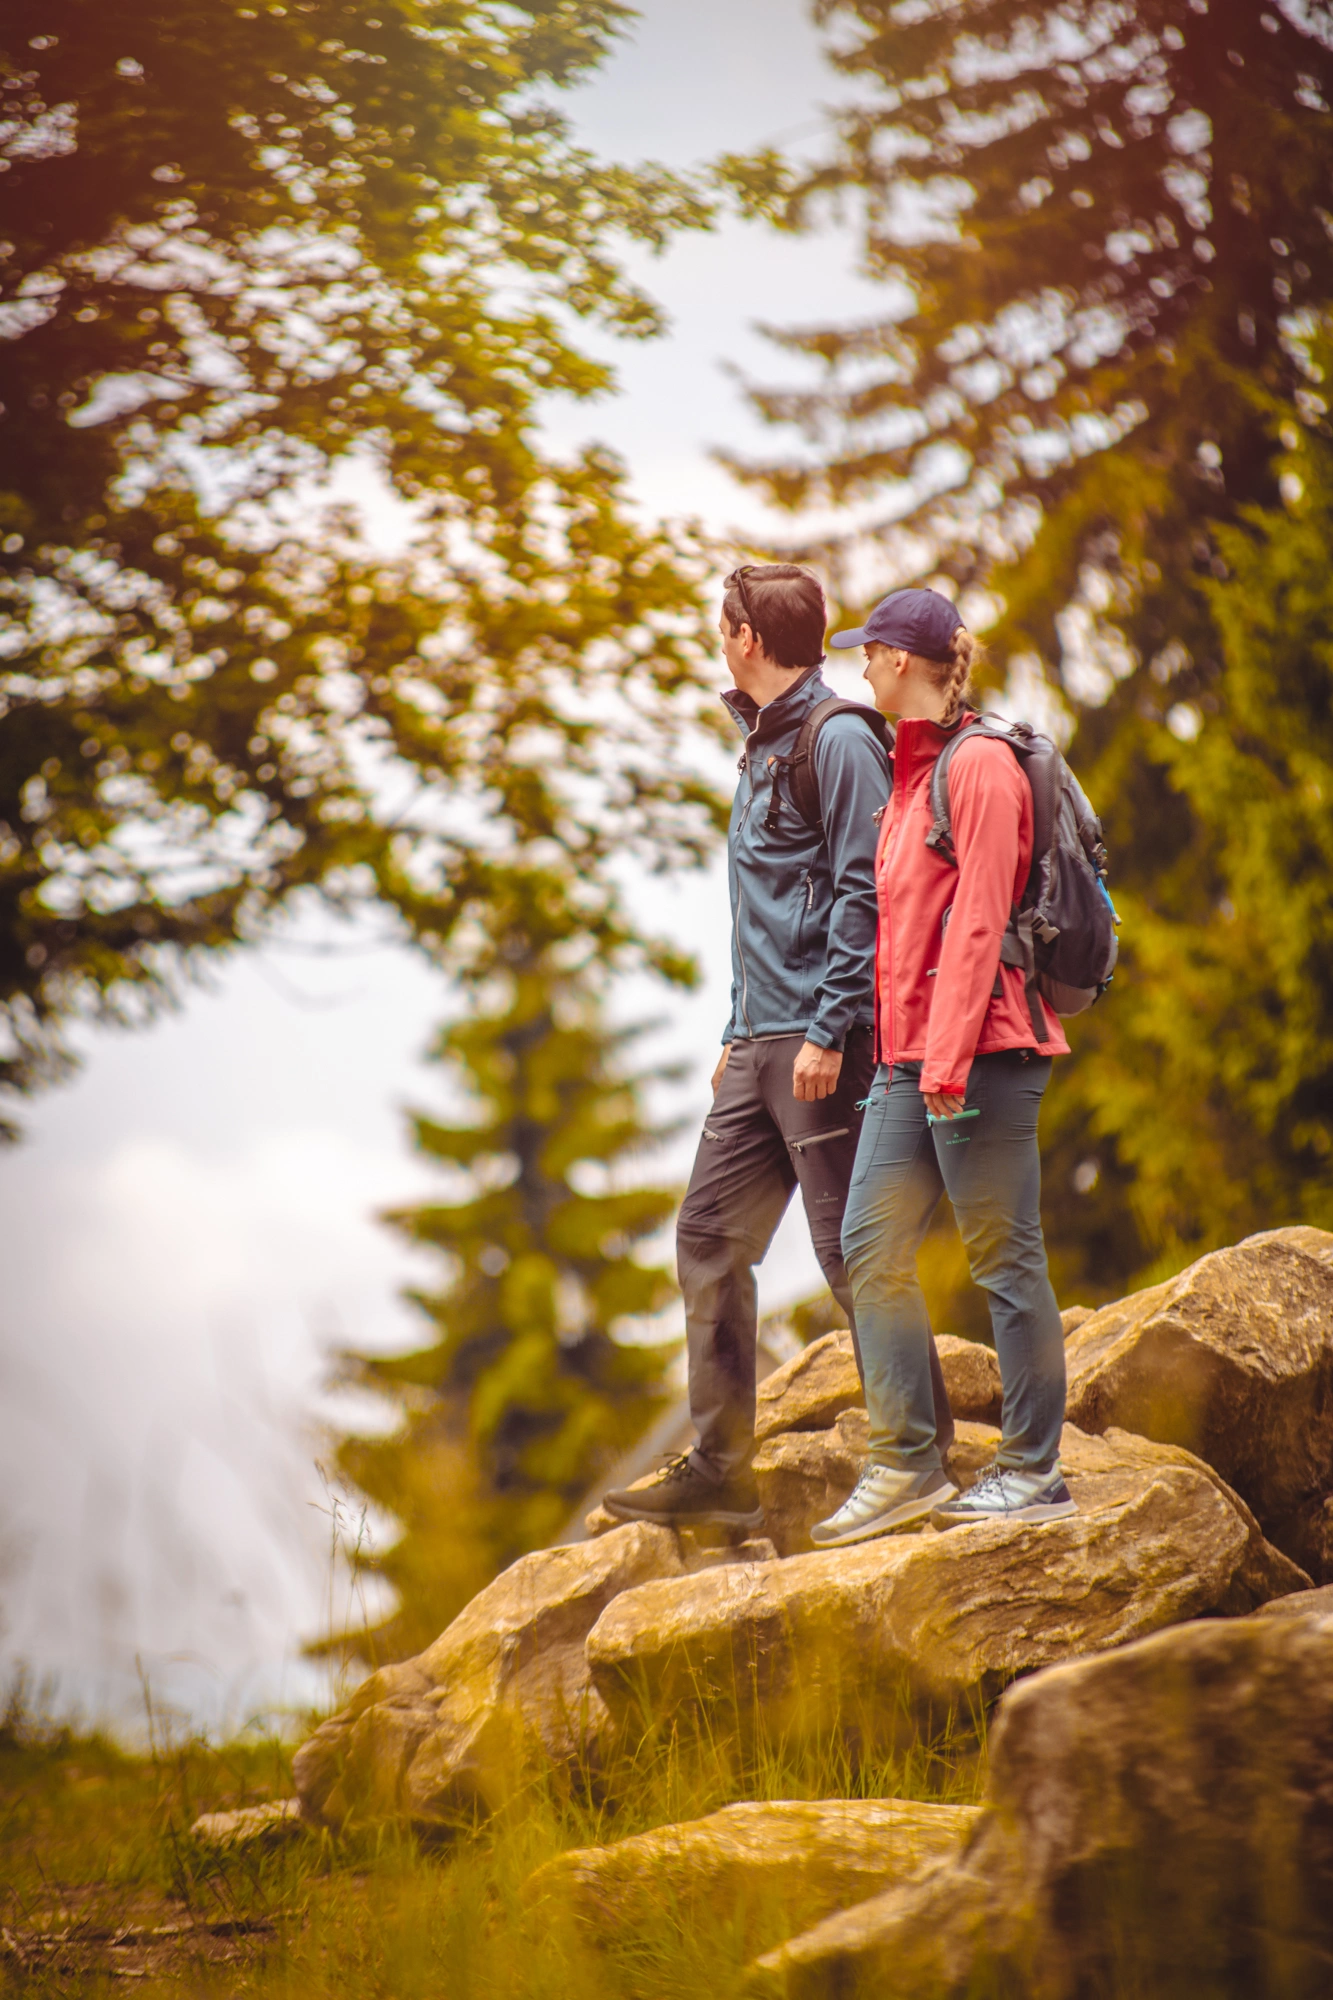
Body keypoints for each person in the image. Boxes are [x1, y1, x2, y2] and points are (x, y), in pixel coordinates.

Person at [604, 564, 954, 1530]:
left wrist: (829, 1027)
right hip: (758, 1042)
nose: (719, 639)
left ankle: (920, 1452)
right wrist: (734, 1025)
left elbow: (864, 888)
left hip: (821, 1045)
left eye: (724, 625)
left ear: (748, 638)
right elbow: (760, 906)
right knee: (710, 1238)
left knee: (851, 1253)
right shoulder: (761, 745)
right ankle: (720, 1470)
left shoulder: (836, 738)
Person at [810, 587, 1077, 1546]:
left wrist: (952, 1054)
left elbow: (978, 922)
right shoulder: (907, 771)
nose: (860, 669)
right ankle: (906, 1463)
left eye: (868, 654)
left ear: (899, 658)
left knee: (1004, 1258)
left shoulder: (981, 767)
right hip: (907, 1058)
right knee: (867, 1246)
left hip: (984, 1052)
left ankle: (1031, 1469)